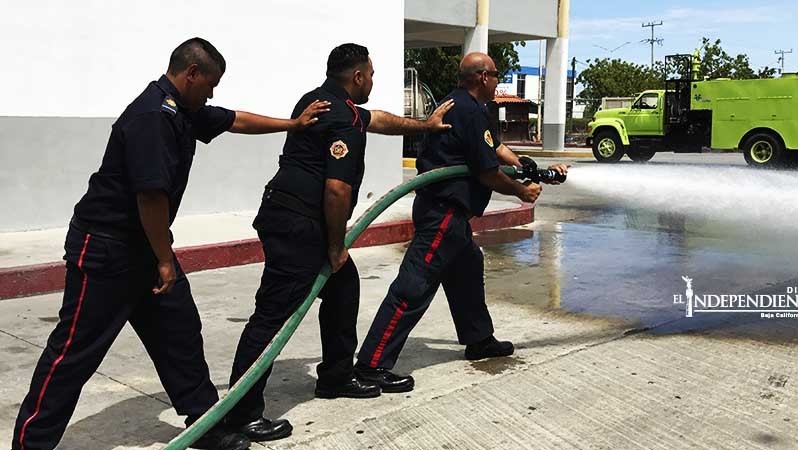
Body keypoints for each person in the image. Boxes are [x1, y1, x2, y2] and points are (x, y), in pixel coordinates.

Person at [12, 37, 330, 450]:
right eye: (210, 83)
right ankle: (30, 443)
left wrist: (292, 124)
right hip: (107, 251)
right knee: (73, 353)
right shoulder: (153, 117)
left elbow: (234, 120)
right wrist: (165, 259)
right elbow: (150, 196)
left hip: (144, 247)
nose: (213, 93)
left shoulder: (184, 109)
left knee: (179, 331)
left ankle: (205, 424)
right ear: (190, 73)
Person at [224, 43, 454, 443]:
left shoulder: (318, 101)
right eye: (372, 74)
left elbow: (378, 119)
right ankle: (241, 413)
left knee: (343, 287)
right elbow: (336, 190)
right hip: (301, 226)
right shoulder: (344, 120)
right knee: (273, 315)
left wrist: (425, 126)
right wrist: (335, 246)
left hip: (284, 212)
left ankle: (335, 376)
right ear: (358, 76)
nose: (373, 82)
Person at [354, 52, 569, 391]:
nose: (499, 81)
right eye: (496, 74)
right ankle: (371, 364)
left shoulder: (466, 107)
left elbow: (493, 148)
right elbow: (487, 172)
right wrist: (520, 191)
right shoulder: (468, 110)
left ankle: (479, 339)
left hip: (452, 217)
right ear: (483, 77)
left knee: (468, 271)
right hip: (443, 214)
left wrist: (526, 166)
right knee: (413, 287)